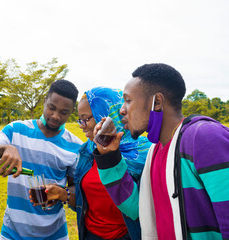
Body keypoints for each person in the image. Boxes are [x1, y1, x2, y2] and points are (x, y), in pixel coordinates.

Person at [94, 63, 229, 239]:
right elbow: (137, 209)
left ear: (156, 102)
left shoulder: (203, 136)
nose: (121, 110)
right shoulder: (155, 151)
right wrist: (109, 156)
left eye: (128, 100)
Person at [0, 79, 83, 239]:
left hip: (54, 234)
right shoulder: (16, 130)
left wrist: (62, 193)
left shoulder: (75, 147)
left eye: (63, 112)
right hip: (12, 233)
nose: (55, 116)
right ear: (45, 101)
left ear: (72, 111)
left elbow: (78, 192)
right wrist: (5, 148)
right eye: (51, 108)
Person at [43, 87, 151, 240]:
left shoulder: (145, 152)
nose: (81, 125)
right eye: (79, 119)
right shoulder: (86, 151)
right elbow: (84, 200)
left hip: (129, 234)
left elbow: (146, 208)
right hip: (90, 234)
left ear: (106, 117)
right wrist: (62, 194)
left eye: (86, 119)